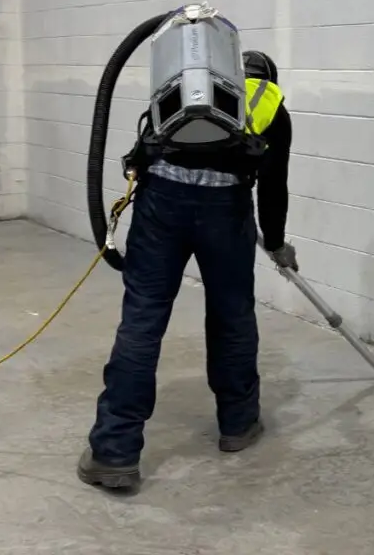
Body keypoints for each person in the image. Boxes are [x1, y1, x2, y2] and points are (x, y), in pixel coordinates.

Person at [77, 49, 297, 491]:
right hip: (227, 208)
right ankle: (238, 424)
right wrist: (275, 241)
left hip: (162, 202)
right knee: (232, 317)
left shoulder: (188, 84)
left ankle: (114, 452)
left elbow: (143, 148)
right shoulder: (272, 107)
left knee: (142, 319)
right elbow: (274, 185)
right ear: (269, 78)